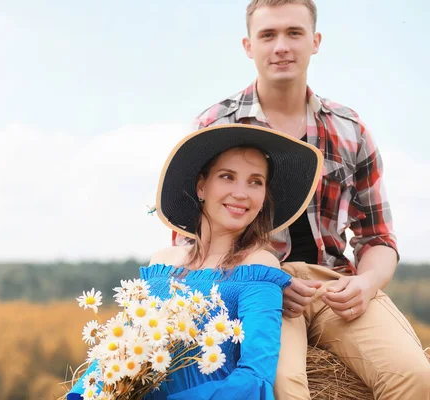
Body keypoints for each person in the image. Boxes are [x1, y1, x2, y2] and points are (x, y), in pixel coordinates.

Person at [176, 1, 430, 399]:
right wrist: (261, 277)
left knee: (417, 378)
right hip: (254, 289)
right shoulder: (215, 126)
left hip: (335, 286)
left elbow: (378, 237)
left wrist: (365, 284)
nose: (281, 46)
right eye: (268, 35)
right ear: (248, 45)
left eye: (294, 33)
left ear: (315, 41)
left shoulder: (350, 128)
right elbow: (189, 238)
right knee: (281, 390)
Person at [68, 124, 323, 399]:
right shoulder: (161, 264)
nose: (241, 193)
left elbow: (255, 375)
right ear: (201, 186)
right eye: (227, 177)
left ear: (263, 198)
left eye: (255, 182)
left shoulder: (259, 267)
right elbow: (123, 349)